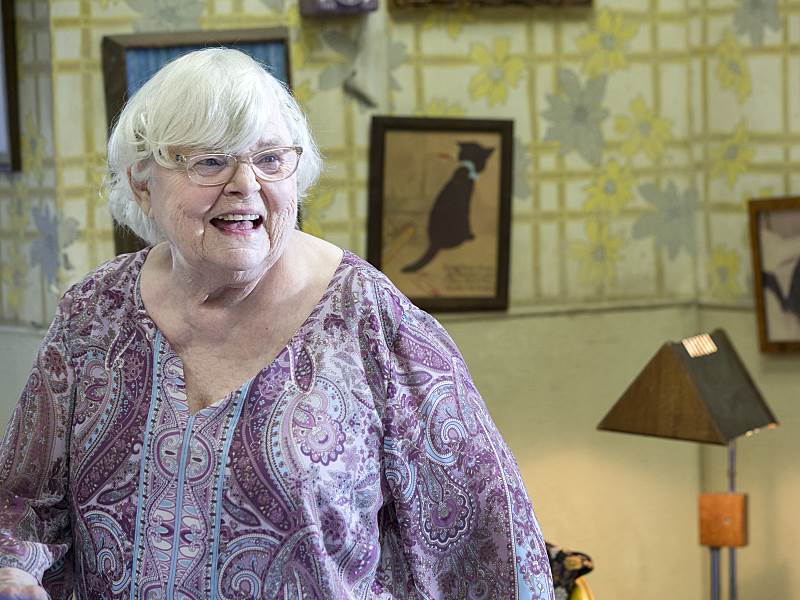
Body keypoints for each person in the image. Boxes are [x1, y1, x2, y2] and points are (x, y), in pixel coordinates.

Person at [0, 48, 554, 599]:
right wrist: (15, 574)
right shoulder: (94, 314)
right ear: (143, 183)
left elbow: (495, 547)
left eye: (269, 159)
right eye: (210, 162)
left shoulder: (370, 320)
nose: (245, 184)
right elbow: (21, 508)